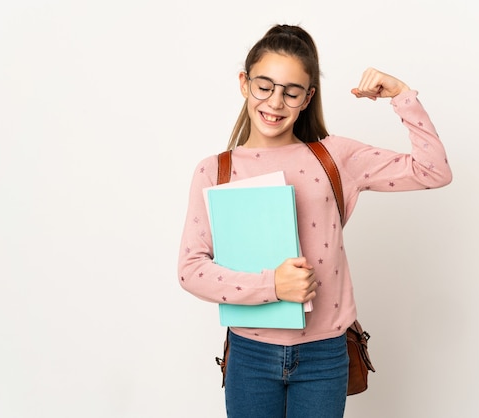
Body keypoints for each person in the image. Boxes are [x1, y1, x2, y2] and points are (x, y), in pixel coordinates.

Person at [178, 24, 452, 418]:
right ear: (244, 83)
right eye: (264, 86)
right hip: (249, 355)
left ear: (307, 98)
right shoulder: (214, 171)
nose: (275, 102)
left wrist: (402, 97)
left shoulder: (334, 157)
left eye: (291, 92)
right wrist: (272, 284)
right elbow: (190, 270)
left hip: (324, 353)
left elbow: (434, 171)